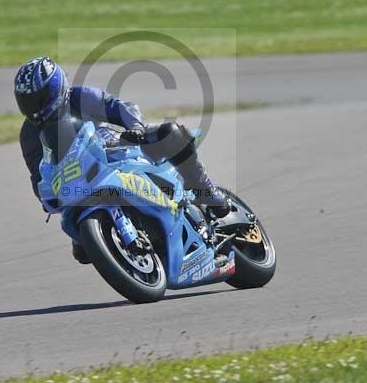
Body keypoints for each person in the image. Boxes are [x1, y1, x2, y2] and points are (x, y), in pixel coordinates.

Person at [14, 56, 231, 262]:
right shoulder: (29, 135)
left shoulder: (78, 97)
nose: (35, 106)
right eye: (28, 101)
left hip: (120, 151)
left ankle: (208, 193)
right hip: (80, 182)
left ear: (56, 87)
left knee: (172, 133)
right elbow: (38, 173)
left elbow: (118, 107)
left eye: (40, 98)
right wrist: (46, 198)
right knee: (83, 252)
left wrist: (135, 128)